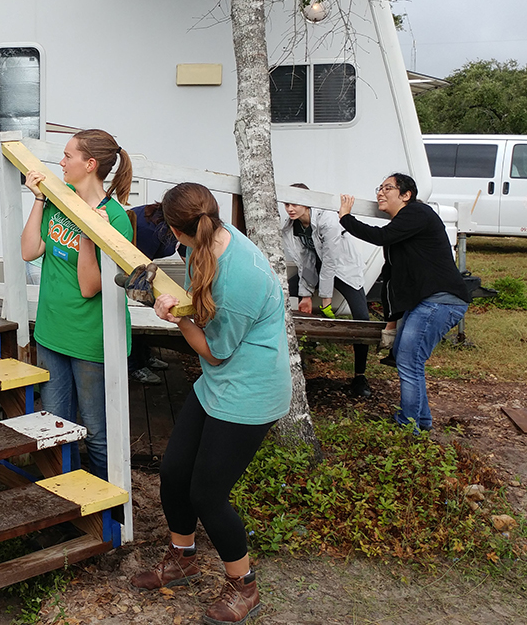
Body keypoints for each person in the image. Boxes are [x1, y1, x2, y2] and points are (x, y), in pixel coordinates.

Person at [130, 183, 291, 625]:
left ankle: (245, 585)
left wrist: (175, 317)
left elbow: (214, 350)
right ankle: (182, 558)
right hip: (219, 384)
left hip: (250, 392)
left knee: (207, 494)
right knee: (174, 471)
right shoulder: (207, 240)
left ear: (178, 230)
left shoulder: (240, 276)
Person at [21, 129, 134, 481]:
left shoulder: (114, 219)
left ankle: (108, 511)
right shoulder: (60, 197)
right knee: (55, 427)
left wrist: (88, 233)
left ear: (90, 164)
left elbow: (89, 287)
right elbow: (30, 251)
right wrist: (39, 199)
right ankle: (64, 500)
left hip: (91, 340)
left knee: (97, 432)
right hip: (52, 331)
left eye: (68, 156)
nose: (61, 162)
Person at [339, 173, 470, 432]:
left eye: (388, 188)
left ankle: (408, 426)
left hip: (441, 301)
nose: (380, 193)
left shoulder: (417, 213)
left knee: (409, 361)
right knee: (403, 356)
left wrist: (345, 218)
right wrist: (392, 320)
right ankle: (421, 421)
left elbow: (379, 236)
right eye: (379, 188)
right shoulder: (403, 231)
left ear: (406, 195)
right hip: (423, 302)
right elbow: (392, 281)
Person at [281, 183, 372, 397]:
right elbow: (305, 260)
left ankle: (360, 376)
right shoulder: (292, 226)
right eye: (286, 204)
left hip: (343, 268)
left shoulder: (328, 220)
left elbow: (330, 261)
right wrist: (304, 294)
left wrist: (325, 300)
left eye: (295, 203)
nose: (290, 209)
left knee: (362, 317)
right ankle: (291, 363)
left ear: (308, 201)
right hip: (316, 267)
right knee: (279, 291)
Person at [125, 202, 179, 384]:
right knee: (136, 311)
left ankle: (145, 357)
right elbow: (138, 265)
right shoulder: (150, 231)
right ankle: (134, 365)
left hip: (143, 262)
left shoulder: (165, 218)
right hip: (130, 268)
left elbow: (185, 249)